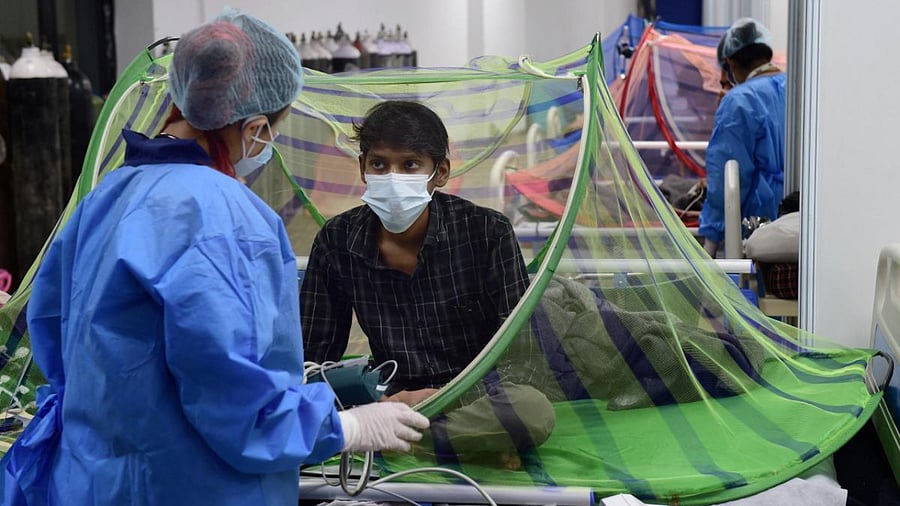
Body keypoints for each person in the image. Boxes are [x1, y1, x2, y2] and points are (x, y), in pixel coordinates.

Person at [0, 10, 428, 506]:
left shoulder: (107, 197)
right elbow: (238, 404)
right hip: (189, 486)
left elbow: (54, 333)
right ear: (256, 126)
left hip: (91, 479)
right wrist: (343, 425)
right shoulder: (225, 219)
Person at [301, 100, 554, 464]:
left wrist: (437, 397)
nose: (392, 178)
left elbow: (524, 359)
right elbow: (313, 358)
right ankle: (468, 444)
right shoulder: (337, 240)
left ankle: (412, 442)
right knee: (312, 398)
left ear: (440, 172)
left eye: (410, 165)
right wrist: (366, 402)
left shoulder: (486, 232)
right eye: (379, 164)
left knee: (532, 410)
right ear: (362, 168)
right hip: (389, 397)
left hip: (476, 395)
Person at [700, 18, 786, 256]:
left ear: (730, 62)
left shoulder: (739, 101)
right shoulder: (796, 87)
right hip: (803, 212)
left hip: (761, 216)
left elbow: (726, 175)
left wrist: (712, 236)